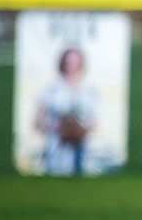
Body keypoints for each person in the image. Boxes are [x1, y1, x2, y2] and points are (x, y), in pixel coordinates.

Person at [34, 46, 99, 176]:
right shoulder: (52, 90)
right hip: (56, 149)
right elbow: (37, 122)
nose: (71, 66)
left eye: (75, 62)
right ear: (62, 63)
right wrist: (59, 128)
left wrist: (79, 130)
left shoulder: (89, 92)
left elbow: (94, 122)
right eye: (68, 62)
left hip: (82, 149)